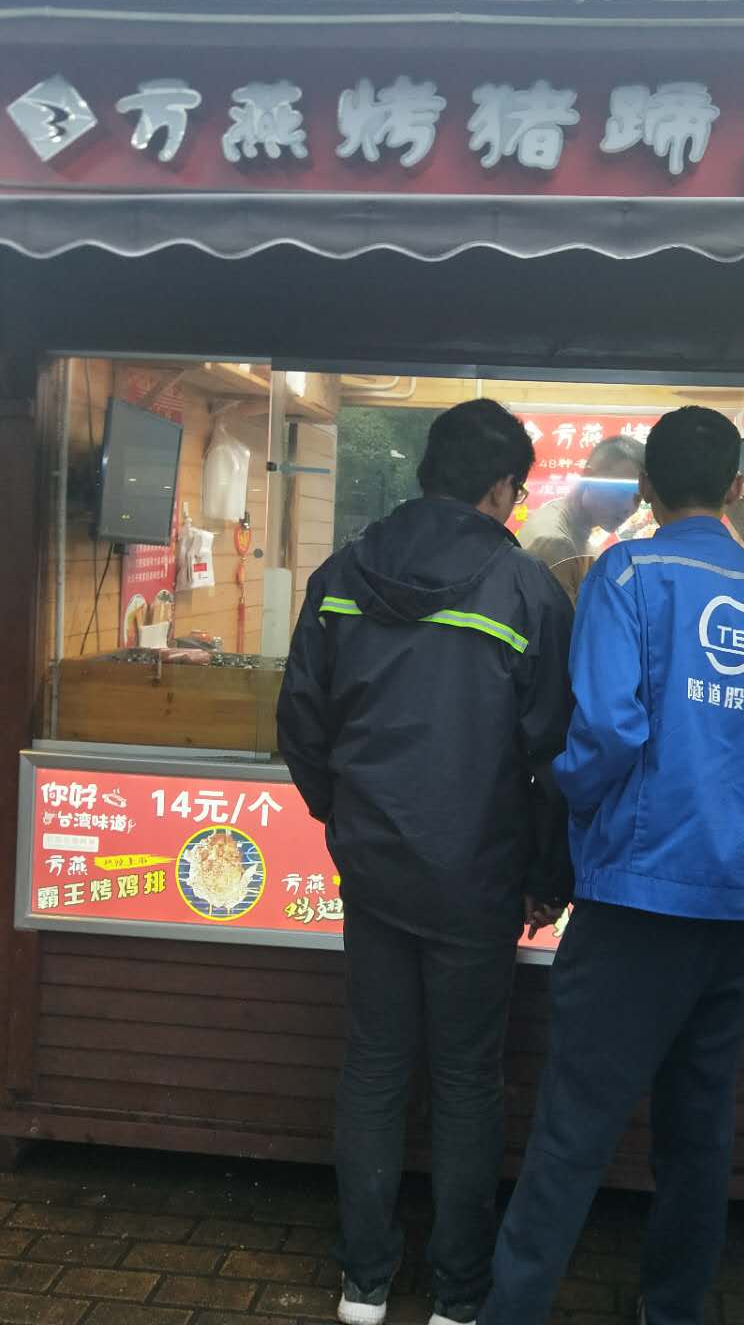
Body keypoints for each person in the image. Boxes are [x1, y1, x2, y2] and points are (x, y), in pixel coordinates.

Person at [480, 406, 744, 1325]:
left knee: (573, 1130)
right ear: (737, 488)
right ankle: (673, 1310)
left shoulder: (626, 573)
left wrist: (573, 809)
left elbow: (607, 732)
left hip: (634, 901)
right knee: (699, 1136)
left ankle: (513, 1310)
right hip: (734, 905)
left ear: (644, 488)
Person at [277, 399, 575, 1325]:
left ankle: (363, 1284)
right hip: (477, 877)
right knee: (465, 1080)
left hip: (374, 870)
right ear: (502, 488)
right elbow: (554, 755)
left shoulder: (341, 573)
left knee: (374, 1068)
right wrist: (546, 875)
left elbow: (301, 725)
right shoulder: (527, 591)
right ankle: (457, 1294)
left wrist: (347, 818)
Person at [518, 434, 645, 604]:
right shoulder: (556, 542)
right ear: (589, 477)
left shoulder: (573, 531)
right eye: (621, 491)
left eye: (638, 498)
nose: (628, 507)